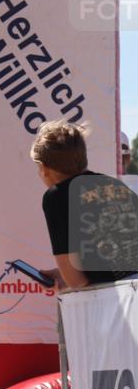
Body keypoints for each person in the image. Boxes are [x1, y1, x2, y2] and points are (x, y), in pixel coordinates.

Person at [30, 121, 138, 289]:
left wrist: (65, 276)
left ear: (43, 168)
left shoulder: (56, 197)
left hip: (117, 302)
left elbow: (77, 281)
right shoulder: (115, 185)